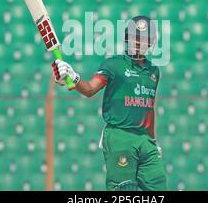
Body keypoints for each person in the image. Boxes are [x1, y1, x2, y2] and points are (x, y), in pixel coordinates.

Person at [51, 16, 167, 191]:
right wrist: (72, 76)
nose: (138, 42)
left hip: (145, 140)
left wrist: (153, 139)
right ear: (127, 38)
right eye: (134, 37)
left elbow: (149, 109)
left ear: (151, 42)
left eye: (143, 38)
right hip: (120, 136)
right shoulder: (114, 65)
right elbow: (90, 89)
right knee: (124, 191)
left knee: (159, 187)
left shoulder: (153, 72)